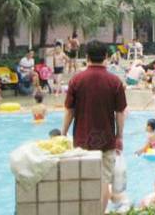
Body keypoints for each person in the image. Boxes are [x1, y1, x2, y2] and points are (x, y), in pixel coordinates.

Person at [62, 40, 127, 212]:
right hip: (106, 140)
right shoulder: (114, 81)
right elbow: (120, 112)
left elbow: (69, 110)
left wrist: (63, 133)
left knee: (84, 179)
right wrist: (119, 136)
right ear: (106, 56)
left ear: (86, 57)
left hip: (81, 140)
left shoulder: (76, 80)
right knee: (104, 181)